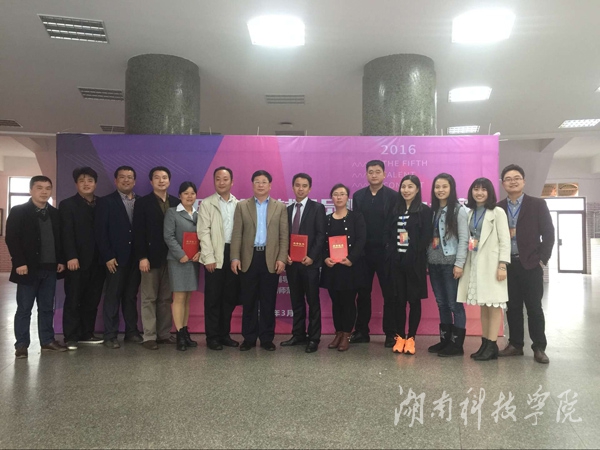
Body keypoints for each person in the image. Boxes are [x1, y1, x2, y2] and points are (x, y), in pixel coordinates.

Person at [497, 164, 555, 364]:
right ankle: (515, 344)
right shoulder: (498, 207)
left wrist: (542, 260)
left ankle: (539, 347)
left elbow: (548, 234)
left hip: (530, 264)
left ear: (523, 181)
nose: (512, 181)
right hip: (508, 265)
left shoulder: (537, 204)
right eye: (508, 179)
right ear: (503, 183)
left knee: (534, 308)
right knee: (512, 307)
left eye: (516, 178)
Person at [6, 175, 66, 358]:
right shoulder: (19, 211)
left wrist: (60, 260)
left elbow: (60, 240)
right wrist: (19, 262)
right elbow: (12, 239)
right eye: (39, 188)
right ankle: (21, 345)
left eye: (48, 188)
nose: (44, 192)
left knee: (47, 307)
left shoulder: (55, 213)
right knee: (24, 308)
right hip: (28, 268)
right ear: (31, 190)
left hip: (50, 268)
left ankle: (47, 341)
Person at [230, 170, 289, 352]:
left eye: (264, 182)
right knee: (249, 301)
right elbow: (237, 234)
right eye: (257, 181)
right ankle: (248, 338)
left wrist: (281, 258)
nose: (261, 185)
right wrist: (235, 257)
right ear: (252, 184)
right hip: (249, 257)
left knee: (268, 301)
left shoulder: (280, 207)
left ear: (270, 185)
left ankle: (266, 338)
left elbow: (284, 236)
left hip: (270, 258)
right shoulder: (242, 206)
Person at [457, 178, 511, 361]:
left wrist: (502, 265)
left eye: (483, 190)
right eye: (476, 189)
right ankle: (486, 343)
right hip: (476, 262)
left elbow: (505, 240)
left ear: (490, 192)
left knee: (494, 305)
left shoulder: (498, 212)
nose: (479, 193)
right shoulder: (471, 212)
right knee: (484, 305)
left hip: (493, 264)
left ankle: (492, 344)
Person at [133, 166, 180, 350]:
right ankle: (149, 336)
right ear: (151, 181)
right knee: (149, 298)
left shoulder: (176, 202)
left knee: (166, 299)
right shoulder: (142, 203)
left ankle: (164, 334)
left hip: (171, 258)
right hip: (150, 258)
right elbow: (138, 232)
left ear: (169, 181)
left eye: (164, 177)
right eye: (157, 177)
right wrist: (142, 257)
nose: (161, 181)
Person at [350, 160, 397, 346]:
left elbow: (395, 224)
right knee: (362, 294)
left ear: (384, 174)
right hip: (363, 253)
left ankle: (390, 333)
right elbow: (356, 225)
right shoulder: (358, 196)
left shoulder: (393, 196)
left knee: (389, 295)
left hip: (385, 253)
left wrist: (390, 248)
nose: (374, 175)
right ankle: (362, 331)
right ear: (366, 174)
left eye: (378, 171)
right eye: (371, 172)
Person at [95, 166, 142, 349]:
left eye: (129, 177)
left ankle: (131, 332)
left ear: (134, 181)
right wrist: (108, 256)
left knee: (130, 296)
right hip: (114, 259)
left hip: (135, 259)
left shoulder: (141, 202)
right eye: (122, 177)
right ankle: (110, 335)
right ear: (115, 181)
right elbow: (100, 232)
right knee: (112, 296)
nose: (126, 180)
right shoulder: (106, 202)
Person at [59, 167, 106, 350]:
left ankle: (87, 333)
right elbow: (66, 233)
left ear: (95, 183)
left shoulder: (102, 204)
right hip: (76, 261)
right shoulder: (68, 204)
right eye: (82, 180)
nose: (86, 184)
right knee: (73, 298)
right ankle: (71, 336)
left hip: (99, 261)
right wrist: (71, 256)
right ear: (76, 184)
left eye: (90, 180)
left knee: (92, 299)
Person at [386, 175, 433, 356]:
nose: (406, 190)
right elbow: (389, 233)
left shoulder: (424, 211)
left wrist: (412, 255)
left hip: (414, 263)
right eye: (403, 186)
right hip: (396, 262)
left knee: (414, 301)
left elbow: (426, 237)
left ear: (417, 189)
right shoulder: (395, 209)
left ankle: (411, 337)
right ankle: (400, 337)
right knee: (398, 300)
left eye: (410, 186)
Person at [281, 173, 326, 353]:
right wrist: (285, 254)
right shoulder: (287, 210)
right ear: (293, 187)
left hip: (310, 264)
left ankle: (314, 338)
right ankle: (298, 335)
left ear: (310, 188)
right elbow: (283, 235)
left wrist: (312, 256)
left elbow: (321, 235)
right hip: (292, 264)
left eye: (304, 185)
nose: (300, 188)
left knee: (313, 301)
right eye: (297, 185)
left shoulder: (317, 208)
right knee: (296, 301)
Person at [197, 167, 241, 350]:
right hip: (214, 253)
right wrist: (208, 257)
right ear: (214, 181)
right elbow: (203, 232)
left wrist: (238, 256)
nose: (221, 182)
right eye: (218, 179)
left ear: (232, 182)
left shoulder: (239, 204)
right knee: (213, 299)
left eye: (225, 179)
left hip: (233, 254)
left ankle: (224, 335)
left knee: (229, 298)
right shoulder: (207, 204)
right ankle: (212, 337)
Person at [320, 183, 367, 352]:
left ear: (348, 197)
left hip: (350, 267)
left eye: (342, 194)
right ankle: (338, 333)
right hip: (332, 268)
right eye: (335, 194)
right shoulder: (327, 219)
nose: (339, 197)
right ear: (331, 198)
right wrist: (325, 258)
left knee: (348, 302)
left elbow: (361, 239)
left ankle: (347, 334)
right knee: (336, 302)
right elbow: (321, 242)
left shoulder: (356, 217)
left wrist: (351, 258)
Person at [426, 173, 469, 357]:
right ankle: (445, 341)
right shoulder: (433, 210)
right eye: (437, 187)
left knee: (454, 304)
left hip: (450, 264)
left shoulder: (459, 210)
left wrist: (459, 264)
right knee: (441, 303)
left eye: (444, 186)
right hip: (434, 263)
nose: (440, 190)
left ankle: (457, 345)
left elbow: (464, 239)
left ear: (451, 188)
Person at [163, 181, 201, 351]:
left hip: (193, 261)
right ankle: (179, 335)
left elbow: (203, 236)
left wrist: (200, 252)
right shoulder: (172, 213)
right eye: (186, 193)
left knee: (187, 298)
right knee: (179, 297)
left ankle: (185, 332)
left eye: (192, 193)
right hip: (178, 261)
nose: (189, 196)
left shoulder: (198, 214)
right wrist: (181, 254)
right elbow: (168, 236)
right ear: (179, 196)